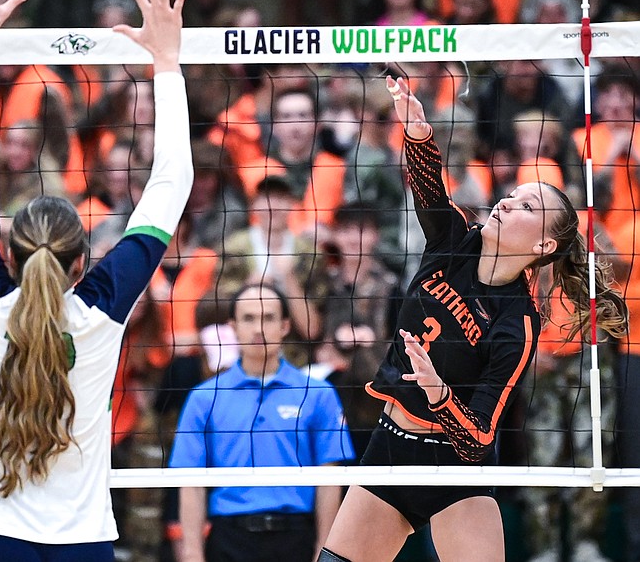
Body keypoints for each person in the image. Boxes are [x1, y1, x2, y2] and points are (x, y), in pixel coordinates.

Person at [0, 0, 193, 560]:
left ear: (6, 252)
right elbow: (171, 182)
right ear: (83, 262)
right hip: (82, 544)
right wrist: (166, 62)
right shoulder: (100, 312)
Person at [318, 76, 628, 562]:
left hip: (458, 472)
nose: (507, 201)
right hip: (393, 447)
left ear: (543, 246)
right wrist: (419, 135)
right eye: (513, 194)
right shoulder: (454, 240)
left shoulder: (517, 324)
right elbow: (428, 192)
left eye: (528, 206)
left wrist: (438, 390)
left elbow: (479, 433)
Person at [170, 283, 353, 562]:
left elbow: (329, 480)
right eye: (248, 318)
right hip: (229, 538)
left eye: (268, 318)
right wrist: (193, 554)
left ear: (285, 326)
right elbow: (190, 483)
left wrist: (324, 551)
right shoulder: (204, 398)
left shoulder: (318, 394)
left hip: (296, 538)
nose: (259, 328)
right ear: (233, 326)